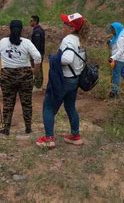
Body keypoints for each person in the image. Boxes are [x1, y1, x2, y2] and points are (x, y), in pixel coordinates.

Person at [36, 13, 90, 148]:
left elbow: (67, 59)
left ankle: (49, 139)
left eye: (66, 23)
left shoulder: (68, 39)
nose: (63, 25)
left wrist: (54, 58)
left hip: (63, 80)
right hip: (74, 81)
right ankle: (75, 136)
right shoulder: (79, 39)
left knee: (48, 106)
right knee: (70, 106)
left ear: (71, 28)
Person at [0, 20, 42, 136]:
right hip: (25, 76)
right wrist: (35, 70)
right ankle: (28, 128)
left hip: (7, 76)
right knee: (27, 103)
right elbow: (38, 56)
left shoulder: (3, 42)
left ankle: (6, 129)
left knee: (8, 103)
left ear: (10, 29)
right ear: (22, 30)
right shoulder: (27, 42)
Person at [30, 15, 45, 90]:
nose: (30, 22)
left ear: (35, 21)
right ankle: (37, 85)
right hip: (37, 54)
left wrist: (35, 56)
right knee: (37, 69)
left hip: (37, 54)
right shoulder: (37, 30)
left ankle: (38, 86)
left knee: (37, 69)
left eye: (31, 21)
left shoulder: (38, 31)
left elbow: (37, 45)